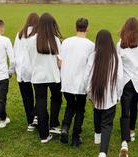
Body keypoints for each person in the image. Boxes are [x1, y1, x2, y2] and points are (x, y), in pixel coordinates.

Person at [87, 29, 123, 157]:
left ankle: (97, 135)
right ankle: (102, 153)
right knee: (107, 124)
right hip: (111, 95)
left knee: (97, 112)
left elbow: (88, 76)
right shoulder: (116, 57)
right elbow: (120, 78)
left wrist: (89, 93)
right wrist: (118, 95)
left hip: (97, 92)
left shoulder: (93, 56)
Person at [27, 13, 63, 143]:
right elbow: (60, 61)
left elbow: (31, 59)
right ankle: (53, 123)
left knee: (41, 103)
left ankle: (44, 134)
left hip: (38, 76)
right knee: (56, 99)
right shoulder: (56, 40)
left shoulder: (31, 40)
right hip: (53, 75)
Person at [116, 17, 138, 157]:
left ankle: (124, 142)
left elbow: (117, 65)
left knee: (125, 110)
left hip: (125, 81)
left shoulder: (120, 44)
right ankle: (131, 131)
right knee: (134, 106)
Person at [60, 17, 94, 147]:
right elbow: (91, 66)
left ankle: (65, 127)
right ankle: (75, 137)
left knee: (70, 105)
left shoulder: (66, 42)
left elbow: (60, 60)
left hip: (67, 80)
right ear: (87, 28)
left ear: (75, 28)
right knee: (80, 109)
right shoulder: (91, 45)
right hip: (81, 82)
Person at [11, 13, 39, 132]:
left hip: (21, 69)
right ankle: (36, 116)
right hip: (33, 68)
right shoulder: (38, 34)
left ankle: (30, 122)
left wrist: (15, 69)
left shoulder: (20, 34)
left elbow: (15, 51)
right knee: (39, 95)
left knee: (26, 97)